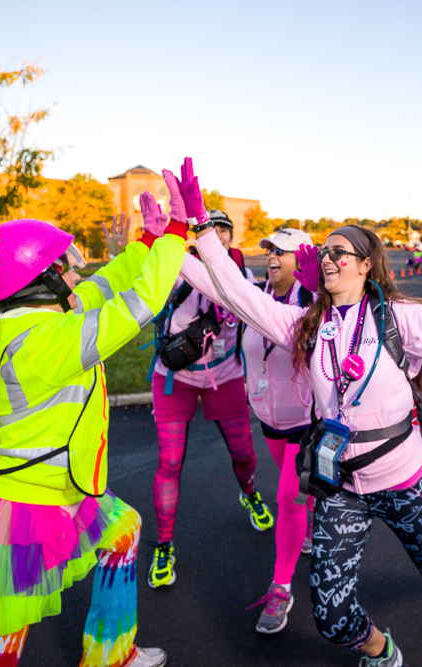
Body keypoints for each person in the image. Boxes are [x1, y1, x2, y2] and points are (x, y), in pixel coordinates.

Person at [193, 223, 422, 666]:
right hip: (340, 488)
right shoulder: (306, 325)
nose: (327, 258)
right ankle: (382, 652)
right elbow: (236, 295)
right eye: (324, 251)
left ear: (365, 265)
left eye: (339, 252)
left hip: (404, 482)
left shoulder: (399, 317)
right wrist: (190, 242)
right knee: (331, 617)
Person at [0, 164, 194, 667]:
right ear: (38, 282)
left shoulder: (27, 319)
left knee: (123, 530)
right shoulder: (42, 343)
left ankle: (111, 653)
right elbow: (136, 307)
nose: (76, 274)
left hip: (54, 488)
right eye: (66, 267)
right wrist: (177, 234)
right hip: (16, 509)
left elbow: (102, 288)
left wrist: (145, 245)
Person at [177, 226, 317, 634]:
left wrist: (318, 296)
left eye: (282, 251)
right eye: (269, 249)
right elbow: (215, 281)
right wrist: (164, 244)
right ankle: (310, 525)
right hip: (270, 421)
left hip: (307, 423)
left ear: (301, 259)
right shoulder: (256, 297)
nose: (272, 256)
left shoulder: (313, 305)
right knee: (300, 494)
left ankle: (281, 587)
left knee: (288, 498)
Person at [146, 198, 273, 590]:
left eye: (223, 229)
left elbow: (270, 317)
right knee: (169, 462)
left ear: (231, 237)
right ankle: (164, 545)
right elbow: (147, 280)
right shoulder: (180, 270)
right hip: (175, 378)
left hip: (225, 375)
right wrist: (151, 242)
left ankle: (249, 493)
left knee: (244, 454)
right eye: (208, 228)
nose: (216, 234)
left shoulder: (244, 277)